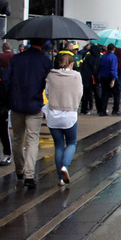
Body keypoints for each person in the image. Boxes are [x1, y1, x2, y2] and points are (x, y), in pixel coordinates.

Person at [3, 40, 52, 189]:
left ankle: (19, 169)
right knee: (32, 139)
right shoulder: (46, 61)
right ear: (43, 44)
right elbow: (49, 84)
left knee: (17, 138)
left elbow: (5, 79)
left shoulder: (16, 58)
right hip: (34, 104)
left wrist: (11, 96)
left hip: (16, 104)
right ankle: (29, 175)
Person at [44, 52, 82, 185]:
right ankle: (65, 166)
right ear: (71, 64)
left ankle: (60, 178)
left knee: (58, 145)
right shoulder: (76, 75)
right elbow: (80, 93)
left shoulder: (51, 75)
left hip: (53, 114)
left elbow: (47, 93)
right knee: (71, 143)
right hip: (69, 114)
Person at [97, 44, 121, 116]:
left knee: (105, 94)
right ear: (114, 49)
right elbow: (113, 68)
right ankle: (115, 110)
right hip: (110, 77)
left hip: (103, 77)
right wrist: (113, 79)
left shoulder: (103, 56)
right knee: (117, 94)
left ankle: (102, 110)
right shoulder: (113, 57)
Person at [78, 43, 101, 115]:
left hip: (86, 78)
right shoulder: (97, 59)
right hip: (94, 79)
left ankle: (84, 109)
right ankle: (99, 109)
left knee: (86, 95)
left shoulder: (87, 57)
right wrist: (98, 79)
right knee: (97, 95)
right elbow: (95, 70)